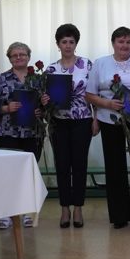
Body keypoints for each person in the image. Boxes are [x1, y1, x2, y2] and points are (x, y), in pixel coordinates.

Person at [86, 27, 130, 229]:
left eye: (128, 42)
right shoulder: (101, 63)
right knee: (114, 165)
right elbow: (89, 94)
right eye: (120, 42)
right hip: (110, 119)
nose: (124, 46)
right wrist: (108, 103)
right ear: (113, 43)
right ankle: (119, 216)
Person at [41, 24, 97, 229]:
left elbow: (94, 94)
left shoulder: (87, 65)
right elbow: (44, 99)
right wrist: (44, 100)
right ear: (58, 44)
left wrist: (96, 119)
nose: (67, 45)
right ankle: (65, 208)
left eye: (71, 41)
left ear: (76, 43)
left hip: (83, 120)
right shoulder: (51, 69)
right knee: (62, 165)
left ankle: (78, 208)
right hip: (58, 122)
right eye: (63, 42)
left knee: (79, 164)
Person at [0, 41, 43, 229]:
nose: (19, 57)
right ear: (10, 58)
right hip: (7, 132)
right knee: (7, 173)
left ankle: (27, 211)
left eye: (22, 54)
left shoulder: (38, 79)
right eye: (14, 55)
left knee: (28, 173)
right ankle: (5, 213)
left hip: (32, 132)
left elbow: (46, 104)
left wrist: (41, 111)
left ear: (29, 57)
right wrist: (6, 108)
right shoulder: (0, 79)